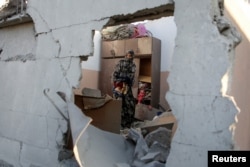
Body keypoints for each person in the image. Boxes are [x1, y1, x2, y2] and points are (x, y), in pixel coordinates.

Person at [112, 50, 136, 129]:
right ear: (126, 55)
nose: (130, 57)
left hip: (127, 87)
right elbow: (115, 74)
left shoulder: (133, 65)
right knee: (119, 104)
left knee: (130, 104)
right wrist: (117, 85)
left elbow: (132, 77)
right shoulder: (121, 62)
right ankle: (117, 123)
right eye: (129, 55)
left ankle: (127, 124)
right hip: (119, 86)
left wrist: (129, 82)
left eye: (132, 56)